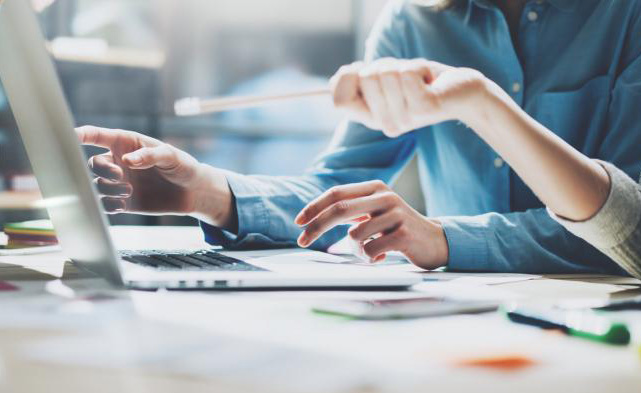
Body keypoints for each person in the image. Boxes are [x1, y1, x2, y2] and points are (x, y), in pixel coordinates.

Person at [78, 0, 641, 276]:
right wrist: (207, 192)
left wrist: (443, 238)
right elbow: (336, 188)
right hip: (469, 322)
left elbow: (627, 221)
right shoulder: (411, 22)